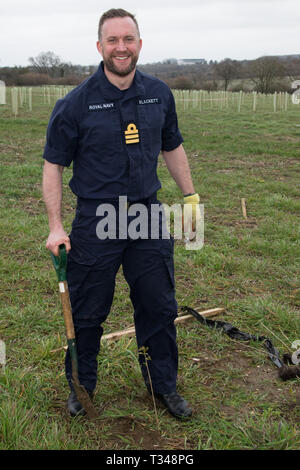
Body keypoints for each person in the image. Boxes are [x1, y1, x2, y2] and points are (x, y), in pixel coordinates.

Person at [43, 8, 199, 420]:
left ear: (140, 44)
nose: (121, 47)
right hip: (97, 219)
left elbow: (173, 146)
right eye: (112, 40)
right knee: (89, 309)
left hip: (147, 215)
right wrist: (56, 226)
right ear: (100, 47)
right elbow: (53, 165)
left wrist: (190, 197)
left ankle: (162, 385)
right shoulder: (74, 104)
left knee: (158, 304)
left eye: (128, 39)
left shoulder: (159, 94)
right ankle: (82, 387)